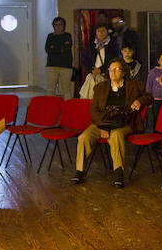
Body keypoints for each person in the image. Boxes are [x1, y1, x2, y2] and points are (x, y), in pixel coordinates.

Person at [73, 59, 151, 188]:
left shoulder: (134, 85)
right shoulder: (100, 87)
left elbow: (149, 96)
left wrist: (139, 101)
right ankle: (79, 171)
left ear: (124, 72)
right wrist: (103, 126)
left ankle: (118, 173)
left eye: (116, 69)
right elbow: (94, 111)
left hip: (124, 122)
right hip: (103, 122)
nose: (112, 72)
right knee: (83, 137)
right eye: (110, 70)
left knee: (115, 136)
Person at [44, 17, 73, 97]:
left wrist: (54, 47)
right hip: (51, 66)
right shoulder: (50, 36)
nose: (58, 26)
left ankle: (67, 108)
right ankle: (50, 107)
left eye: (60, 24)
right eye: (56, 25)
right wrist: (60, 48)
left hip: (66, 66)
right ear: (53, 26)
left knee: (66, 89)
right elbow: (47, 49)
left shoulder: (67, 36)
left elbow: (66, 48)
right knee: (50, 89)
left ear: (64, 25)